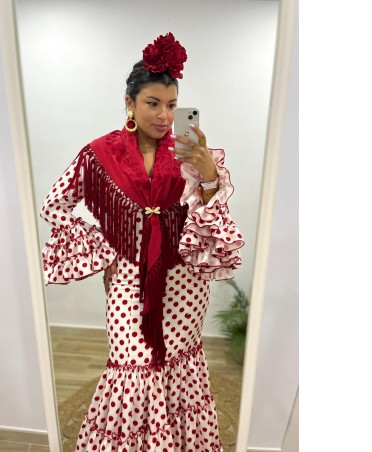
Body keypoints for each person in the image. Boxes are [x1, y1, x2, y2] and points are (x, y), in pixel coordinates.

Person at [40, 32, 244, 452]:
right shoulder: (100, 154)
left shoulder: (189, 155)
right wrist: (103, 251)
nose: (164, 115)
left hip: (184, 284)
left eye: (172, 105)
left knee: (177, 369)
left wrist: (208, 176)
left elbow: (211, 221)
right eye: (153, 103)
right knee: (130, 370)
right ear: (130, 103)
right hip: (128, 282)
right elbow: (55, 204)